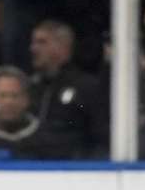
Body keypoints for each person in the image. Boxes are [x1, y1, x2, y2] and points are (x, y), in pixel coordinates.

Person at [29, 19, 107, 158]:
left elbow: (101, 137)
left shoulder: (87, 87)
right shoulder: (31, 87)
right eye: (34, 42)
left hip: (73, 171)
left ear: (63, 47)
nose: (33, 48)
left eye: (42, 42)